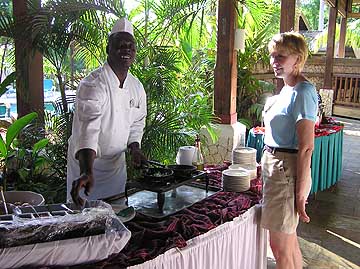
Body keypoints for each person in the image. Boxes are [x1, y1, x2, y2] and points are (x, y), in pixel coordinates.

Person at [67, 18, 147, 206]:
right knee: (86, 221)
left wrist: (135, 147)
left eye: (131, 46)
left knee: (117, 215)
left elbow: (137, 122)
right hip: (88, 166)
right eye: (120, 45)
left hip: (115, 168)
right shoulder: (93, 85)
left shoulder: (136, 87)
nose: (126, 50)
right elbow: (88, 129)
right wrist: (87, 171)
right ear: (108, 49)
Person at [261, 32, 318, 269]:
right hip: (276, 167)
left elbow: (306, 148)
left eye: (281, 56)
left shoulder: (303, 91)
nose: (275, 61)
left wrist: (301, 191)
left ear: (298, 59)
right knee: (289, 241)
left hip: (285, 170)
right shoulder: (286, 89)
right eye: (273, 55)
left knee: (279, 246)